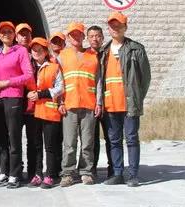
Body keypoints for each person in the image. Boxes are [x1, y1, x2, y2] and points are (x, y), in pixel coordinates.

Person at [99, 12, 151, 187]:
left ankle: (133, 175)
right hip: (110, 103)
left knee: (131, 139)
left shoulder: (136, 49)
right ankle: (117, 173)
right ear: (108, 28)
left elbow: (145, 78)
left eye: (119, 25)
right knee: (114, 141)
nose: (115, 28)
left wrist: (137, 98)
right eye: (112, 26)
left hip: (129, 104)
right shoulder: (103, 51)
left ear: (125, 27)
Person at [0, 21, 34, 188]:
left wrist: (7, 83)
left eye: (9, 32)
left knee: (14, 137)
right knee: (1, 137)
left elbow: (28, 75)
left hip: (14, 97)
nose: (6, 34)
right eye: (3, 32)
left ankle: (15, 173)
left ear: (14, 35)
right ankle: (4, 171)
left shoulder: (20, 51)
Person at [59, 22, 101, 187]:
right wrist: (60, 101)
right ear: (68, 38)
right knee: (69, 143)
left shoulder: (92, 56)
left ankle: (86, 172)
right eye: (72, 35)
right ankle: (68, 173)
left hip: (89, 104)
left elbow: (98, 81)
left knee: (88, 142)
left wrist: (99, 103)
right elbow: (58, 81)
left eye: (79, 34)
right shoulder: (62, 56)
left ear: (83, 37)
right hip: (69, 104)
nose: (76, 37)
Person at [26, 37, 64, 189]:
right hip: (32, 112)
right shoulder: (27, 67)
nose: (36, 52)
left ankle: (50, 175)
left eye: (40, 50)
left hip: (49, 111)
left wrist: (41, 94)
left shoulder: (54, 67)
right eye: (34, 49)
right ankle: (37, 174)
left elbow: (60, 87)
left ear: (46, 51)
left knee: (50, 146)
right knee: (36, 145)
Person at [87, 25, 113, 179]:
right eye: (91, 36)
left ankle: (113, 169)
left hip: (108, 100)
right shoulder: (85, 55)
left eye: (97, 36)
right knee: (91, 138)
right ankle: (91, 168)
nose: (95, 39)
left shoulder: (108, 54)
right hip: (92, 102)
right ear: (87, 39)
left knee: (111, 137)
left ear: (102, 38)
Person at [16, 22, 38, 184]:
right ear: (16, 37)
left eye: (27, 34)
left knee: (34, 141)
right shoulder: (11, 54)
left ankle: (33, 172)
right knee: (14, 140)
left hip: (32, 105)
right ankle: (16, 171)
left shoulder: (36, 54)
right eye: (21, 34)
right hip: (16, 103)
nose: (25, 37)